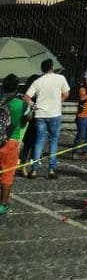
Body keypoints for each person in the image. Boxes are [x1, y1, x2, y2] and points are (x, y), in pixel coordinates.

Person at [24, 59, 70, 179]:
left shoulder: (37, 81)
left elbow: (27, 97)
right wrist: (57, 102)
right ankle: (51, 169)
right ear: (52, 67)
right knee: (53, 141)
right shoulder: (60, 78)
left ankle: (34, 170)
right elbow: (66, 93)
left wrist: (34, 105)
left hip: (40, 114)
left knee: (39, 141)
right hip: (54, 113)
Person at [0, 74, 30, 215]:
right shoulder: (21, 104)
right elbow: (29, 117)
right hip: (11, 141)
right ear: (17, 87)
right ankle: (3, 205)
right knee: (7, 174)